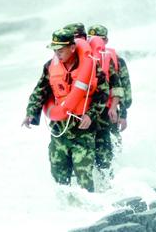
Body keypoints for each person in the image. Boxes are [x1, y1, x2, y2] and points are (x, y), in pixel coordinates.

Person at [21, 28, 109, 192]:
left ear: (72, 48)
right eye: (55, 50)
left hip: (83, 131)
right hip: (59, 131)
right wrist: (30, 113)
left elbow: (103, 93)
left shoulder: (91, 67)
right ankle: (65, 211)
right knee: (59, 177)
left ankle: (91, 211)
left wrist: (90, 115)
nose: (57, 53)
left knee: (84, 177)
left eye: (60, 50)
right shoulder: (50, 67)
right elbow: (40, 91)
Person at [87, 25, 130, 176]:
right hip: (91, 113)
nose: (96, 42)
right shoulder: (86, 60)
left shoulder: (117, 60)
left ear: (106, 40)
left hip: (110, 111)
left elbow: (125, 89)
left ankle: (116, 177)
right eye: (91, 39)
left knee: (112, 147)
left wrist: (123, 114)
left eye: (100, 39)